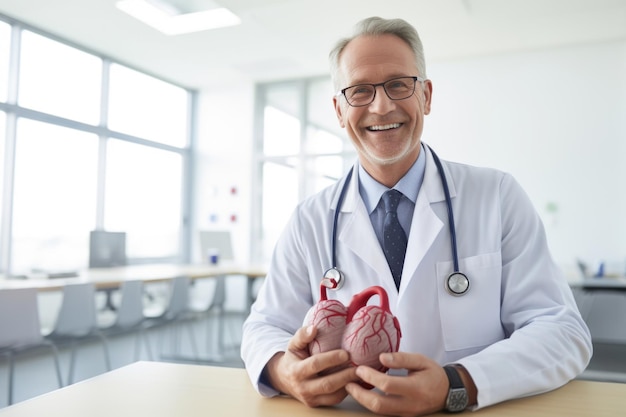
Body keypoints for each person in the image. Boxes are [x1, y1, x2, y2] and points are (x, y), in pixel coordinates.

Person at [241, 16, 592, 416]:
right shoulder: (310, 219)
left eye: (398, 84)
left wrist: (457, 383)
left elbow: (562, 331)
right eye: (359, 91)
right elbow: (262, 327)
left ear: (425, 95)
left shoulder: (496, 196)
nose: (382, 105)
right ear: (339, 110)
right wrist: (284, 371)